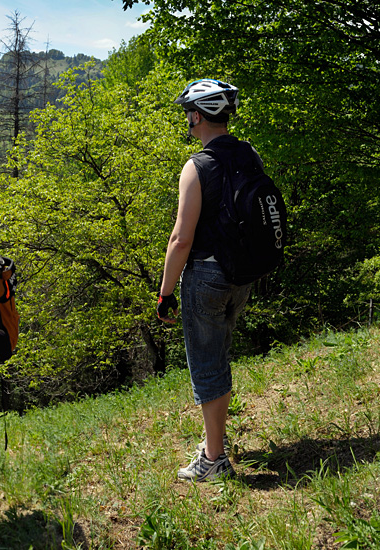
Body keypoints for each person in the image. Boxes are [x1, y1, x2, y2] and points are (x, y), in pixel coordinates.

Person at [157, 78, 256, 482]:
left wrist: (165, 293)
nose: (187, 118)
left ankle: (213, 460)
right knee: (218, 354)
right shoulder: (249, 155)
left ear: (197, 115)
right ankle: (214, 440)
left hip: (207, 275)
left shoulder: (196, 166)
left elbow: (181, 238)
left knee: (207, 364)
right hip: (242, 273)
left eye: (188, 112)